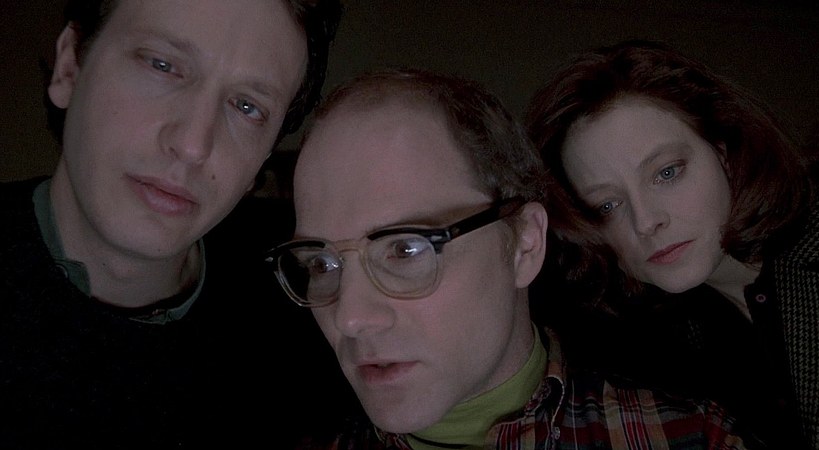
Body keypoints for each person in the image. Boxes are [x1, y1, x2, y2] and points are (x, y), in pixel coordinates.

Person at [266, 68, 758, 449]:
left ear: (524, 244)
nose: (350, 318)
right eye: (321, 264)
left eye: (405, 248)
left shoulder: (693, 439)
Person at [0, 0, 354, 448]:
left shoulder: (316, 308)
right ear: (70, 67)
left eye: (247, 106)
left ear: (263, 156)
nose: (192, 145)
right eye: (162, 65)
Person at [525, 39, 819, 450]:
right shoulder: (662, 335)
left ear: (724, 150)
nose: (646, 222)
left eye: (667, 172)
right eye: (607, 205)